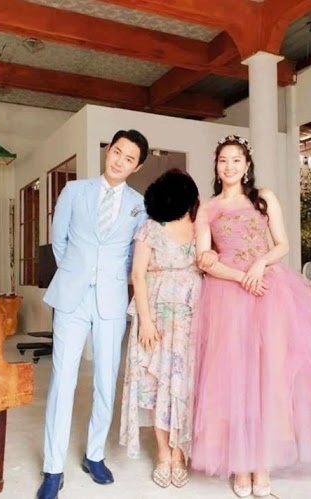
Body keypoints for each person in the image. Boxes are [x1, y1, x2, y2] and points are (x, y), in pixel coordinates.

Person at [191, 135, 311, 498]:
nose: (229, 166)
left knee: (269, 377)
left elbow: (282, 244)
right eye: (223, 160)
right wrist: (241, 277)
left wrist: (259, 264)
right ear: (216, 166)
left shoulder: (263, 198)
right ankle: (240, 463)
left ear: (247, 165)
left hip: (270, 292)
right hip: (227, 296)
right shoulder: (207, 208)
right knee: (234, 377)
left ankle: (261, 461)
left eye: (236, 160)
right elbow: (204, 259)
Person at [37, 129, 149, 499]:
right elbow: (59, 241)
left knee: (105, 379)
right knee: (62, 379)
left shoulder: (139, 205)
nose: (119, 161)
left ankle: (95, 455)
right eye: (117, 152)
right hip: (72, 296)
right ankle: (53, 468)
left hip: (111, 300)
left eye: (129, 158)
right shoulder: (74, 191)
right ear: (108, 151)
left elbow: (134, 256)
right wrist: (77, 273)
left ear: (137, 167)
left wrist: (110, 278)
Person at [120, 168, 202, 489]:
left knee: (184, 384)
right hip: (156, 316)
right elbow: (137, 275)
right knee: (157, 384)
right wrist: (145, 321)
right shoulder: (151, 228)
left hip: (192, 317)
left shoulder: (199, 226)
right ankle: (163, 454)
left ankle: (180, 453)